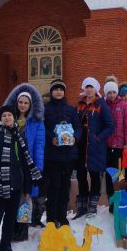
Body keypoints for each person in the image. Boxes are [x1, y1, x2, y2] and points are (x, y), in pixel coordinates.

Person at [0, 105, 42, 251]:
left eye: (10, 115)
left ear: (14, 118)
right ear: (0, 119)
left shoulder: (20, 137)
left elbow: (26, 163)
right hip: (0, 184)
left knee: (10, 217)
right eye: (4, 116)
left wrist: (27, 186)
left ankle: (5, 245)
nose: (7, 118)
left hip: (17, 183)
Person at [3, 83, 45, 235]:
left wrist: (38, 168)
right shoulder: (8, 119)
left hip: (28, 164)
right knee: (12, 197)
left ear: (30, 105)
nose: (22, 105)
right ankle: (10, 229)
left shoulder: (36, 122)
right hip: (10, 164)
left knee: (25, 196)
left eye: (26, 103)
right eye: (20, 102)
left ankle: (21, 230)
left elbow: (39, 145)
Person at [44, 79, 81, 227]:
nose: (58, 92)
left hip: (69, 154)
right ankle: (51, 218)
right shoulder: (46, 110)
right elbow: (43, 128)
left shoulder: (71, 110)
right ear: (51, 92)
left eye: (61, 89)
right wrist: (51, 138)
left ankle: (62, 216)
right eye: (56, 89)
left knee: (65, 187)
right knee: (54, 186)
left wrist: (74, 138)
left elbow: (78, 128)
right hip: (53, 155)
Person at [75, 77, 114, 217]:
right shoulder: (80, 104)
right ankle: (82, 205)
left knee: (94, 174)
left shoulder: (100, 104)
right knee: (80, 174)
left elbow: (110, 126)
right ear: (84, 88)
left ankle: (92, 205)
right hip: (80, 144)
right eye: (87, 87)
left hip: (95, 146)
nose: (89, 89)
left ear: (96, 89)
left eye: (91, 87)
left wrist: (98, 137)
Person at [103, 76, 127, 205]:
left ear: (117, 92)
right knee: (109, 172)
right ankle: (111, 199)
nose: (111, 95)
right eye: (109, 92)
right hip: (107, 145)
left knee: (119, 172)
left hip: (120, 145)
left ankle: (120, 196)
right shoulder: (103, 105)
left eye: (114, 92)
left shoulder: (123, 105)